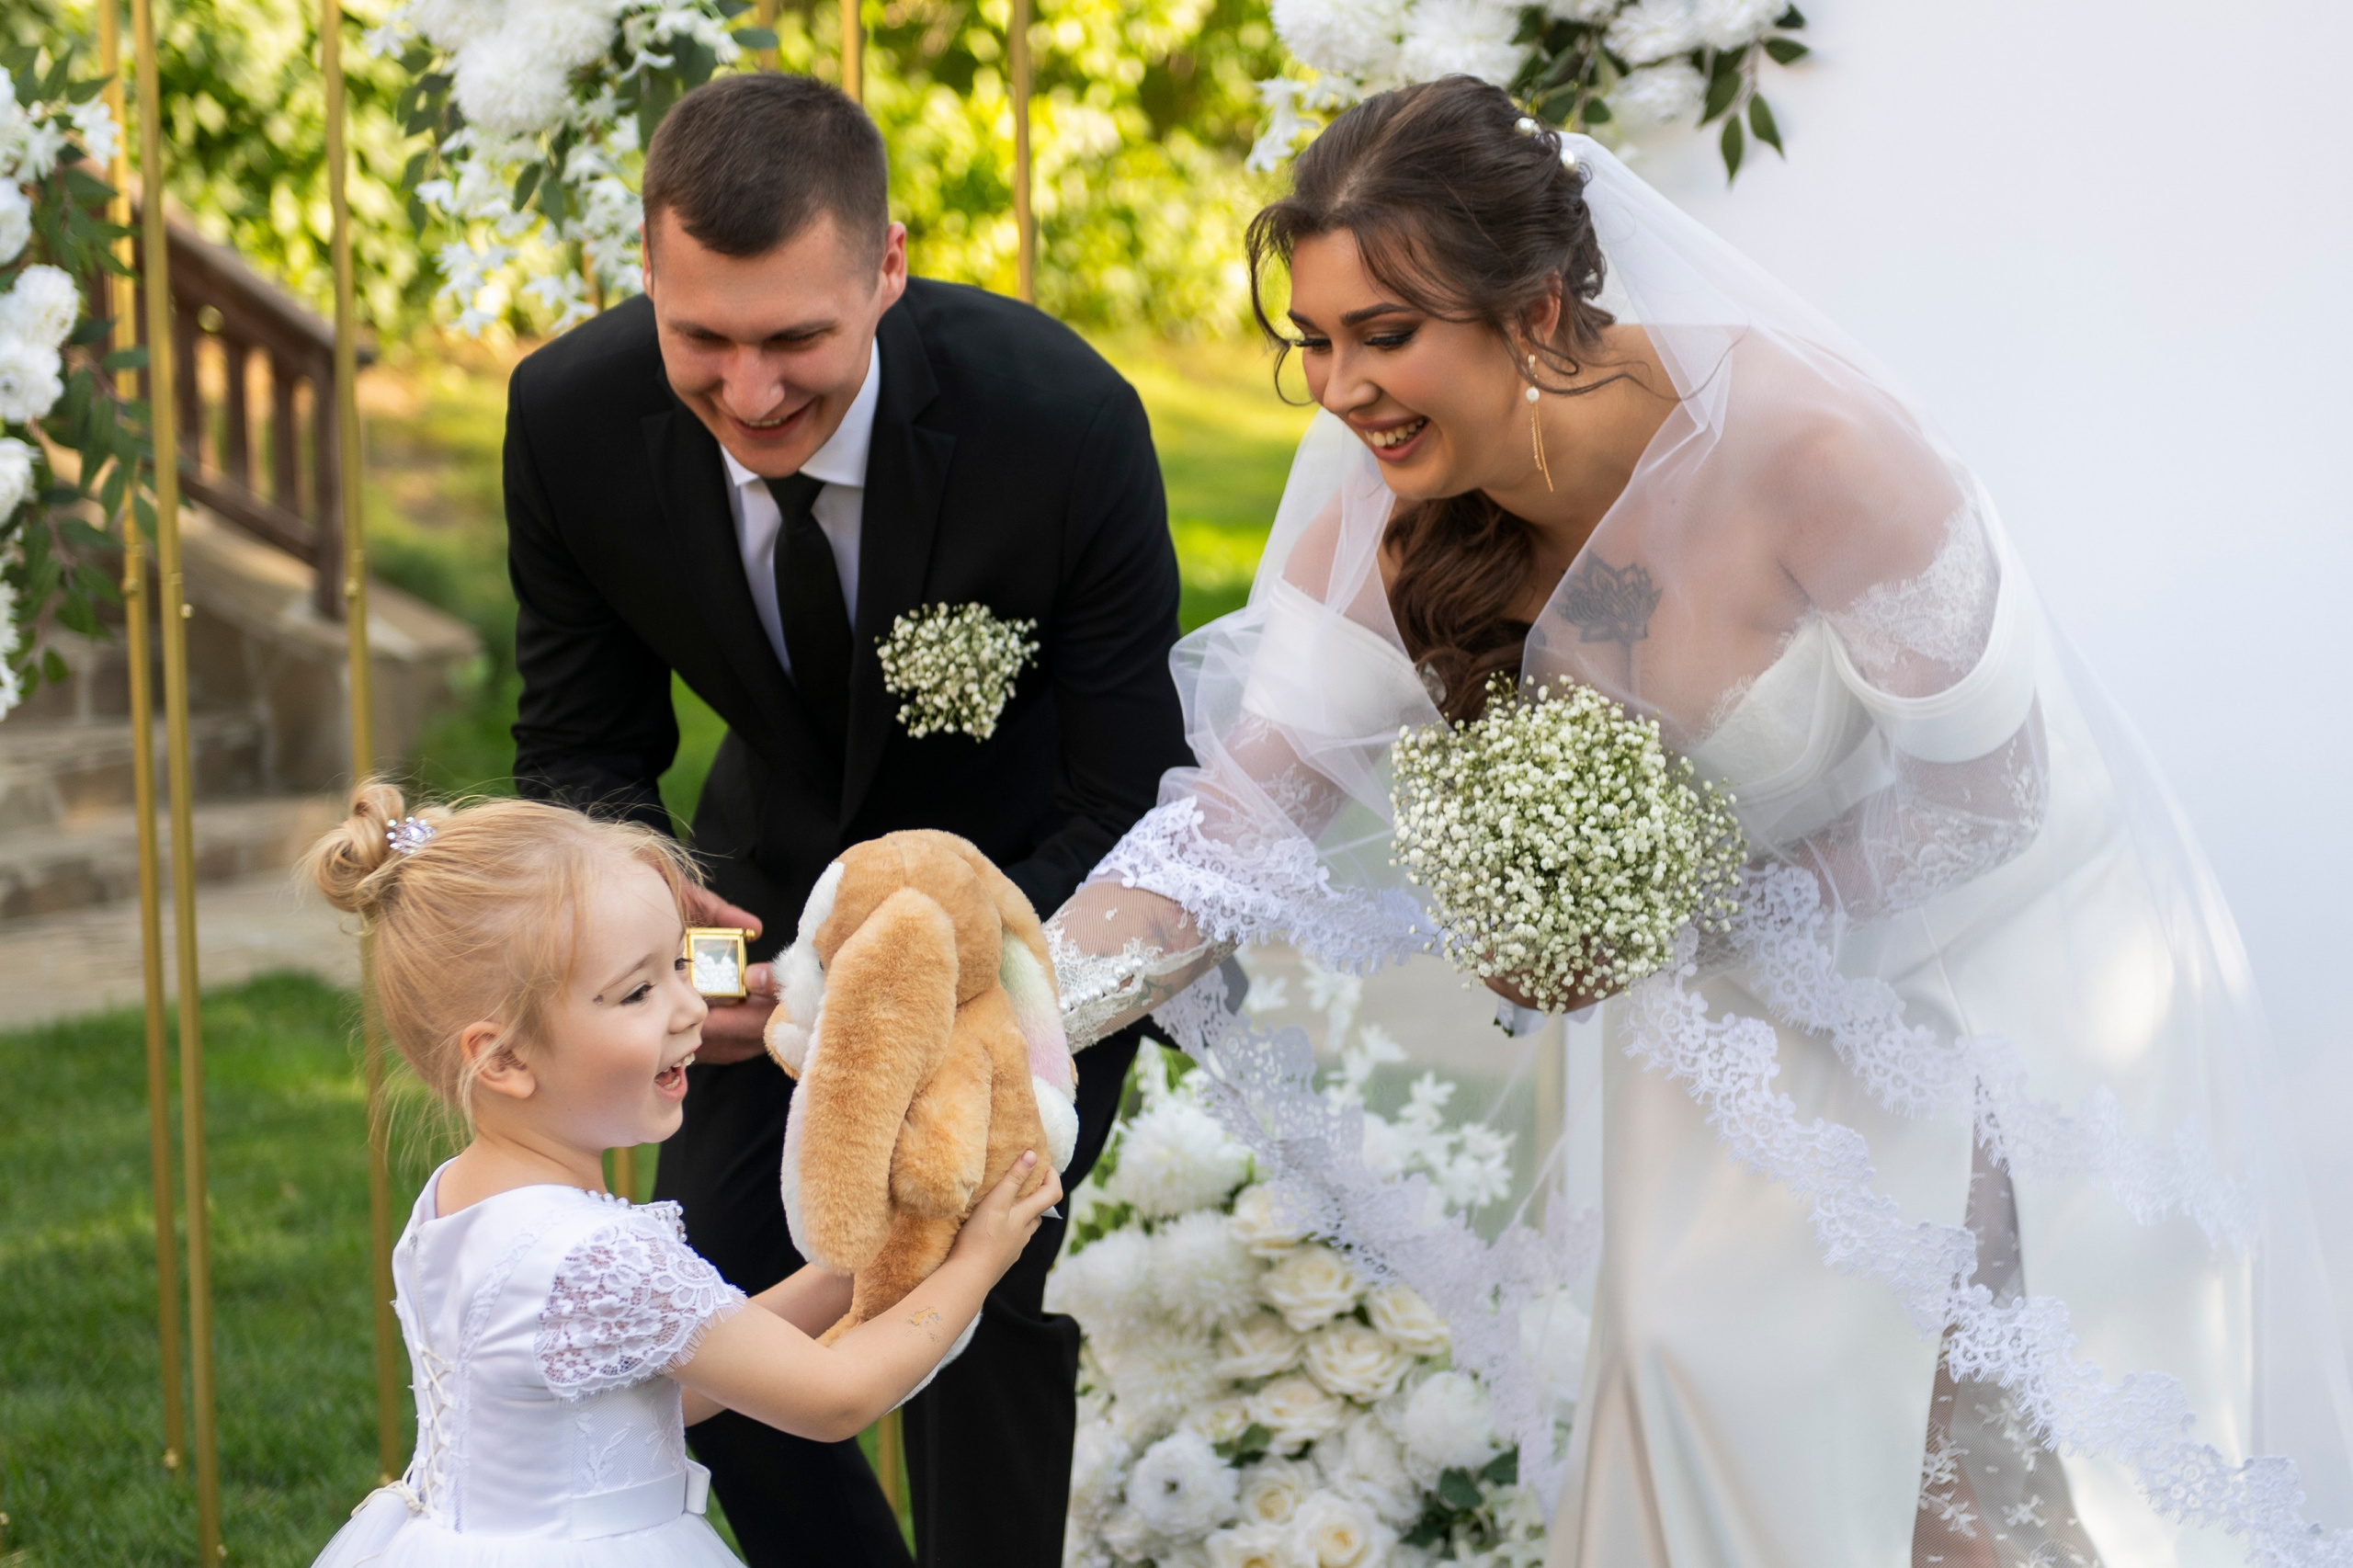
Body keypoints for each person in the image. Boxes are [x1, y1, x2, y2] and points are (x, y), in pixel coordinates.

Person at [1047, 76, 2353, 1567]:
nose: (1341, 390)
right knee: (1684, 1368)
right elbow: (1234, 826)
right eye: (1316, 342)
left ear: (1538, 311)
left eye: (1386, 336)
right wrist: (1020, 1008)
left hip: (1993, 984)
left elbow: (1996, 795)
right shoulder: (1387, 505)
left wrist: (1669, 912)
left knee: (1959, 1470)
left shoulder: (1816, 453)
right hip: (1722, 1027)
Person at [500, 72, 1190, 1566]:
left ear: (885, 269)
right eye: (705, 341)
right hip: (758, 911)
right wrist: (663, 922)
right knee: (714, 1324)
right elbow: (580, 751)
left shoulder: (1059, 423)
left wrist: (967, 982)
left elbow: (1126, 785)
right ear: (649, 279)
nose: (750, 395)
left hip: (1029, 926)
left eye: (796, 340)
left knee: (974, 1312)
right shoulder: (568, 420)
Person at [301, 784, 1063, 1567]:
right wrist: (976, 1265)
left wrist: (867, 1264)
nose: (690, 1009)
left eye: (677, 966)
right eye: (637, 991)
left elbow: (675, 1381)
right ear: (504, 1059)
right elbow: (837, 1398)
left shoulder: (457, 1201)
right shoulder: (601, 1258)